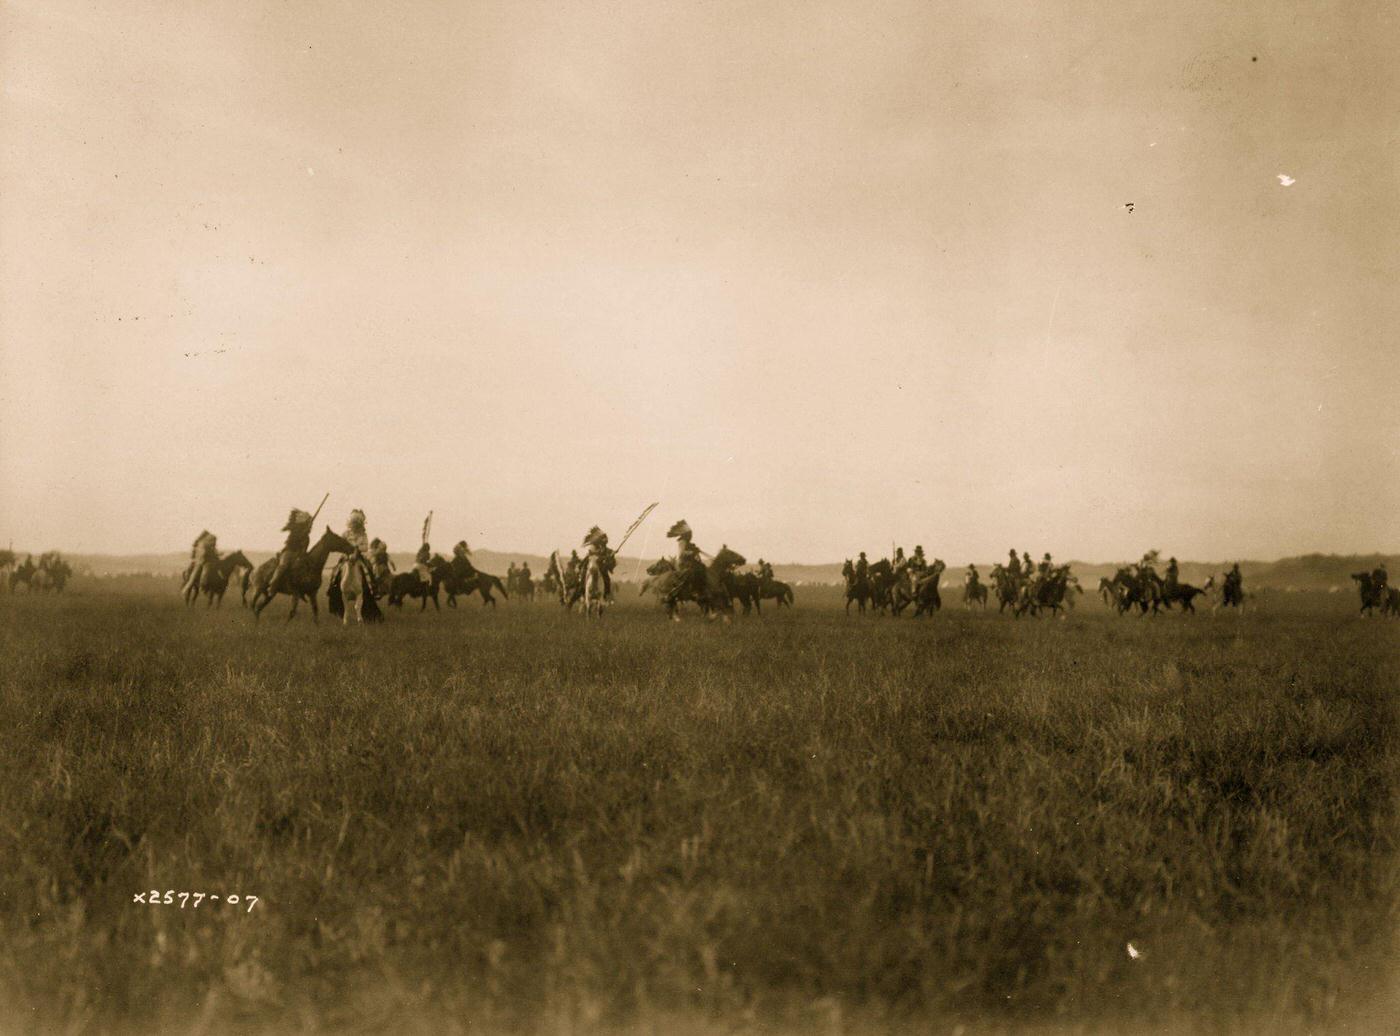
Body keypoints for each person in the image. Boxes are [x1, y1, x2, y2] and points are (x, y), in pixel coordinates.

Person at [267, 509, 312, 596]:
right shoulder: (295, 529)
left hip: (298, 554)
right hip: (288, 552)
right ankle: (272, 585)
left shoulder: (306, 535)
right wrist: (302, 532)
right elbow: (288, 530)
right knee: (283, 566)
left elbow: (304, 547)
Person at [582, 526, 616, 599]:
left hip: (601, 568)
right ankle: (582, 591)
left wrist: (612, 554)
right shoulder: (594, 548)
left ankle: (606, 594)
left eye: (605, 540)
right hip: (592, 567)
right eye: (603, 540)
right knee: (582, 577)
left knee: (607, 579)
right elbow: (591, 556)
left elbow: (609, 558)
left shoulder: (608, 550)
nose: (605, 542)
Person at [181, 530, 218, 597]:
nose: (214, 543)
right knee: (202, 574)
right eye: (213, 541)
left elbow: (213, 553)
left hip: (202, 561)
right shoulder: (203, 544)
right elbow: (203, 554)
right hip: (202, 562)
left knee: (193, 578)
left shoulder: (205, 544)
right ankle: (202, 587)